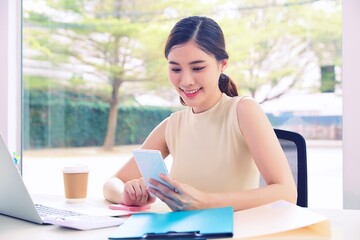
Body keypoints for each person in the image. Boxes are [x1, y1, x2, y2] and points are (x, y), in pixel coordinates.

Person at [103, 16, 297, 212]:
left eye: (198, 68)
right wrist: (126, 194)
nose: (186, 80)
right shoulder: (172, 125)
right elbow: (112, 183)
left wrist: (206, 202)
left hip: (235, 231)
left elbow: (287, 192)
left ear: (222, 65)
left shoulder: (243, 110)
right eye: (175, 69)